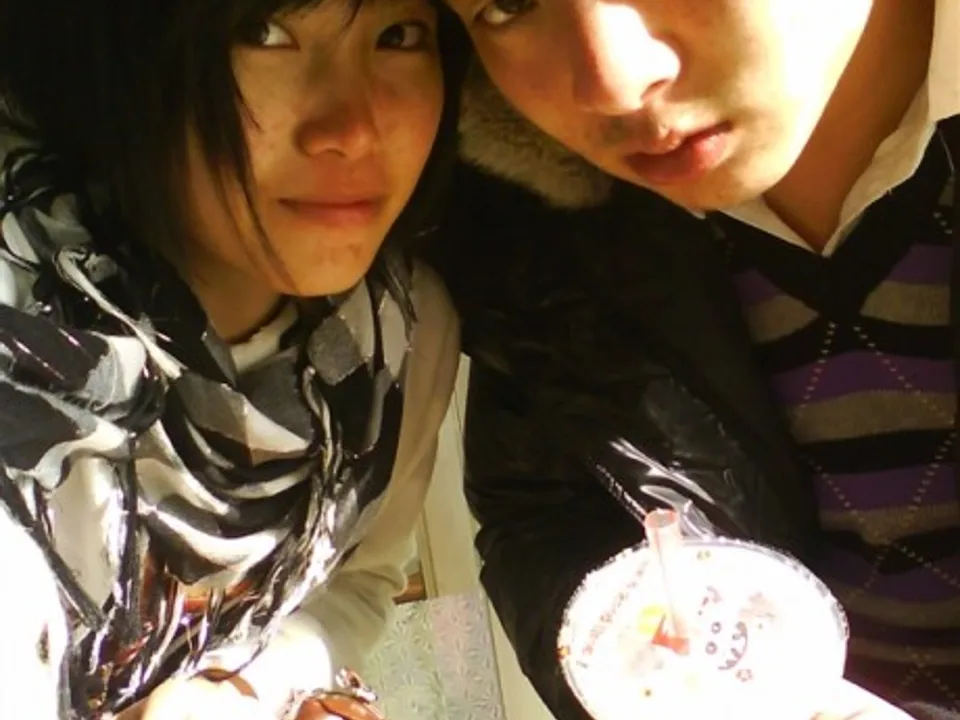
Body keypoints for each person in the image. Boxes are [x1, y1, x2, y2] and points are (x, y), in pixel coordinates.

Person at [428, 0, 960, 717]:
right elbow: (544, 515)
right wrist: (637, 672)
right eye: (506, 4)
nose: (613, 82)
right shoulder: (530, 223)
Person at [0, 0, 466, 717]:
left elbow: (359, 580)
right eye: (262, 32)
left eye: (397, 36)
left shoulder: (403, 334)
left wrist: (252, 689)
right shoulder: (22, 323)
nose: (353, 129)